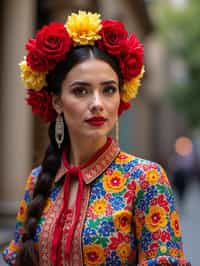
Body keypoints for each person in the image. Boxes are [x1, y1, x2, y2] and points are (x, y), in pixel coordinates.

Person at [2, 10, 190, 266]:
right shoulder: (38, 180)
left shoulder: (145, 179)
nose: (97, 104)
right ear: (57, 101)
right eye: (81, 91)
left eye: (109, 89)